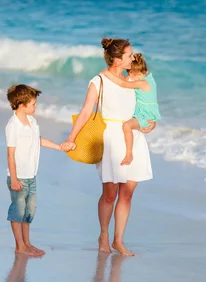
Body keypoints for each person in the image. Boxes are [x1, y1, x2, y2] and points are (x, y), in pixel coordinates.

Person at [61, 38, 156, 256]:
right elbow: (86, 111)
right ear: (116, 59)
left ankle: (119, 240)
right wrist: (72, 137)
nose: (133, 58)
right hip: (112, 138)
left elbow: (146, 107)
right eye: (129, 55)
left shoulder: (133, 79)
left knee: (128, 194)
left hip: (133, 137)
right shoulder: (99, 81)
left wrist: (151, 123)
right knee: (110, 194)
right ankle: (103, 235)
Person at [6, 84, 65, 257]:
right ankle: (20, 246)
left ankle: (27, 243)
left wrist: (58, 147)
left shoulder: (31, 121)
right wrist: (15, 179)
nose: (36, 106)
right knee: (18, 211)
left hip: (31, 175)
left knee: (29, 211)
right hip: (18, 177)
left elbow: (37, 140)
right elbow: (10, 155)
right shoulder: (13, 126)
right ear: (21, 105)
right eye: (33, 104)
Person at [102, 53, 161, 166]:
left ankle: (129, 154)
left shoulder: (142, 83)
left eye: (134, 75)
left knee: (126, 126)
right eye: (131, 75)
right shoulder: (149, 79)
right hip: (145, 113)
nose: (132, 78)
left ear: (143, 72)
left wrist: (107, 74)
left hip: (145, 115)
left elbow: (124, 84)